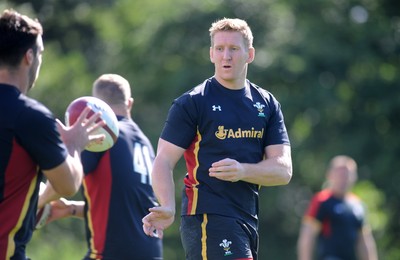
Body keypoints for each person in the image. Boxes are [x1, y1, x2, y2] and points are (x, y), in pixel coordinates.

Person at [142, 18, 292, 260]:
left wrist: (242, 170)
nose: (226, 56)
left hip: (247, 217)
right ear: (211, 54)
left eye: (234, 49)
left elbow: (283, 171)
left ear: (249, 54)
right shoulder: (193, 102)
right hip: (207, 217)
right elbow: (163, 160)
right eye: (220, 49)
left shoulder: (266, 103)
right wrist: (167, 206)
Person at [0, 9, 103, 260]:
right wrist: (75, 144)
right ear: (29, 57)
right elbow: (67, 184)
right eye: (41, 54)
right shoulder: (29, 116)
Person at [42, 74, 163, 259]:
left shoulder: (101, 134)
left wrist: (37, 202)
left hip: (112, 254)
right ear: (129, 103)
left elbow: (62, 180)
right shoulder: (145, 142)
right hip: (151, 252)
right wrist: (72, 209)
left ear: (96, 104)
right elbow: (126, 208)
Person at [297, 155, 378, 260]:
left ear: (354, 177)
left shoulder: (358, 204)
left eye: (347, 174)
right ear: (329, 175)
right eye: (339, 174)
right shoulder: (322, 201)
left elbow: (364, 241)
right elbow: (307, 237)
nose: (343, 178)